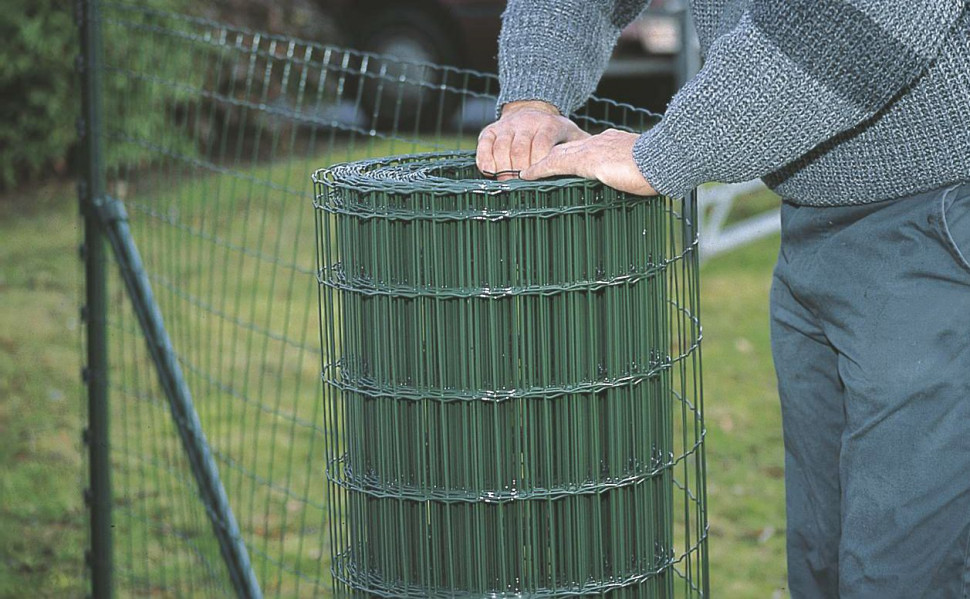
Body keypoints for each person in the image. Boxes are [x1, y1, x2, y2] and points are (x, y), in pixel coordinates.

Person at [476, 0, 970, 596]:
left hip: (939, 222)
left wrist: (668, 151)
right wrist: (533, 99)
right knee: (825, 562)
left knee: (907, 570)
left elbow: (857, 18)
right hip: (814, 224)